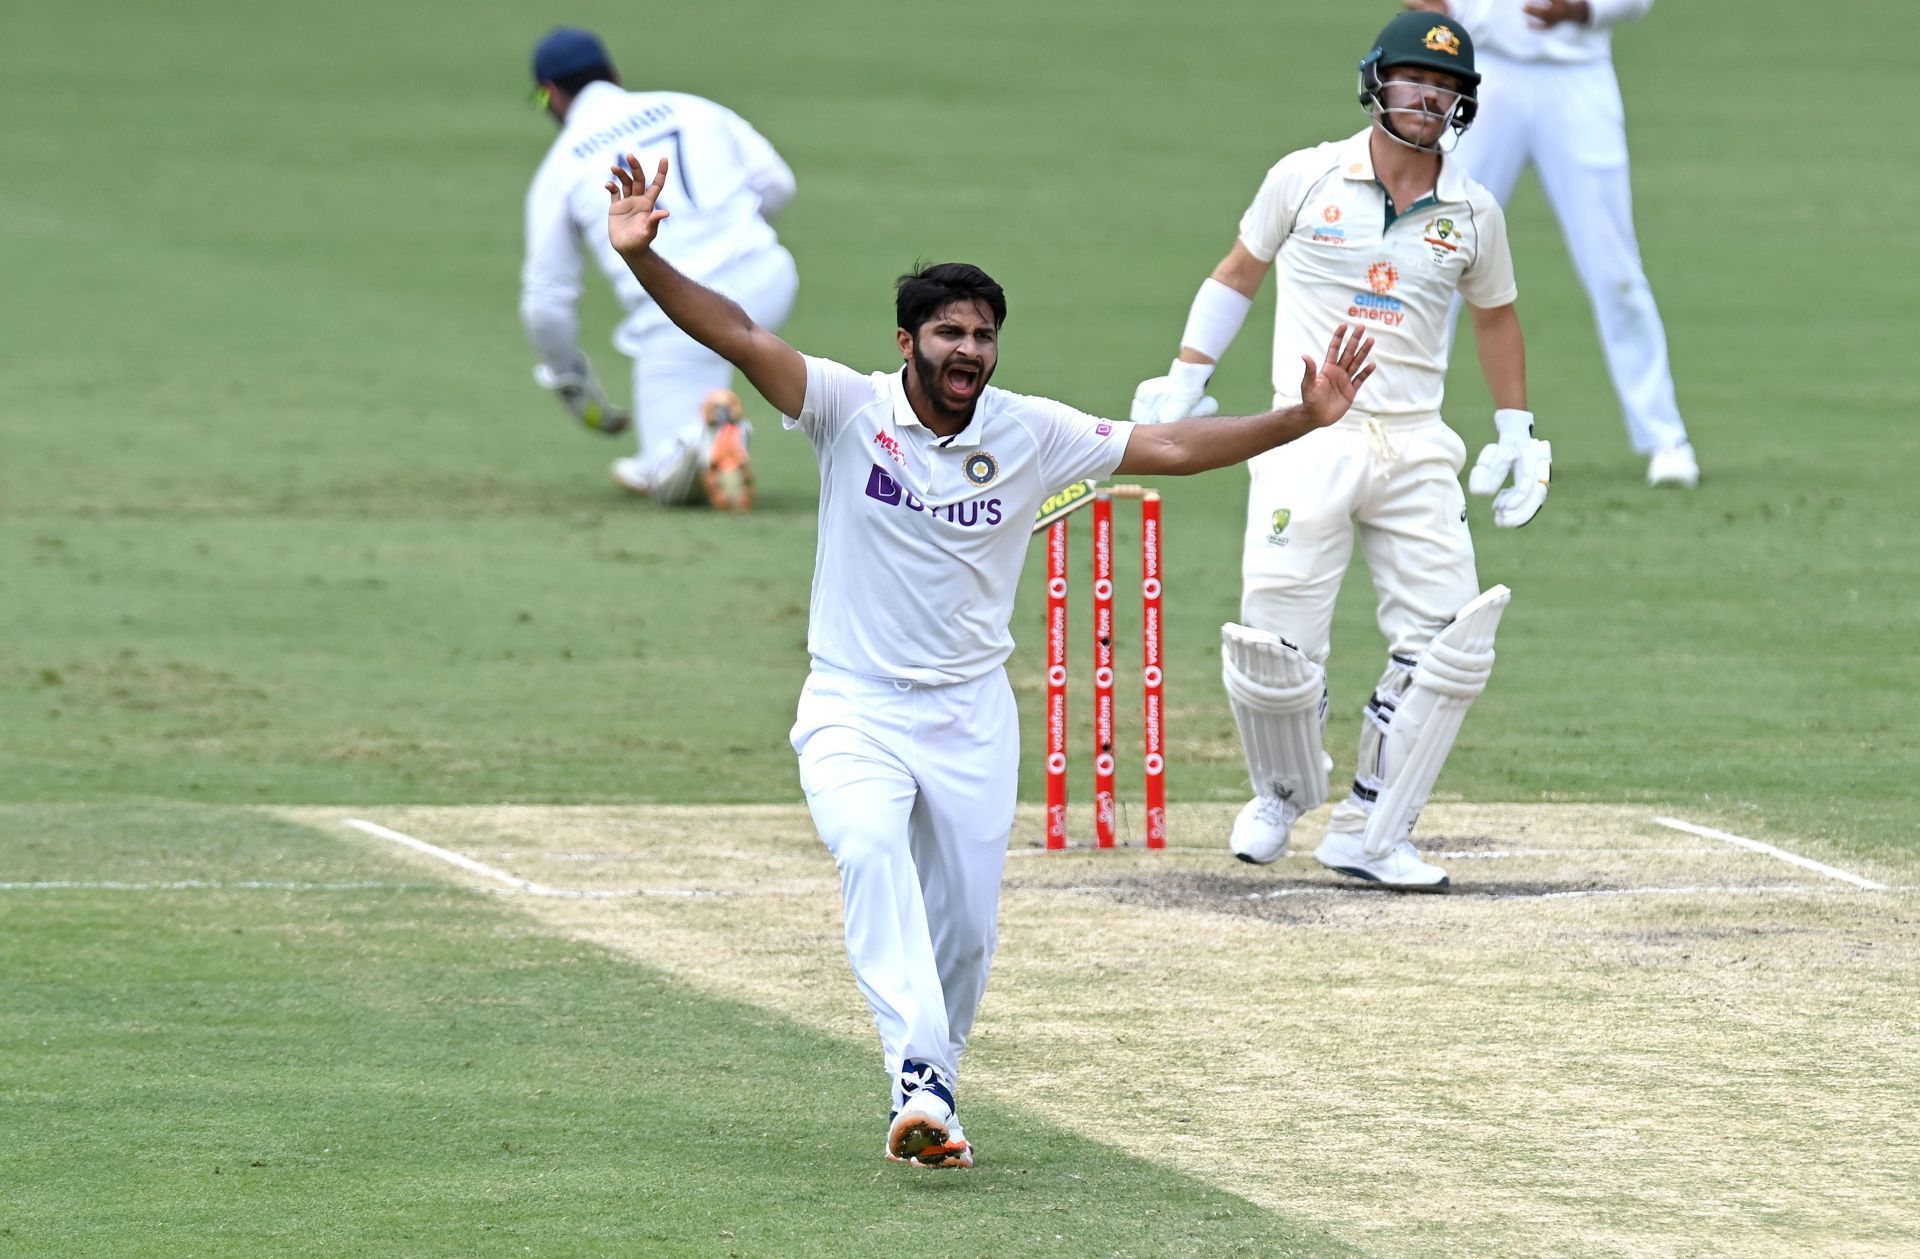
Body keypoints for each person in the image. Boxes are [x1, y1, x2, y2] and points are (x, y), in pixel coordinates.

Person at [603, 154, 1375, 1166]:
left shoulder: (1032, 432)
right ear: (907, 343)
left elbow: (1175, 449)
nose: (968, 351)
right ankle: (921, 1076)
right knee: (871, 853)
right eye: (948, 333)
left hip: (969, 712)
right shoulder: (847, 407)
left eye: (982, 334)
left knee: (964, 928)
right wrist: (645, 257)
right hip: (852, 703)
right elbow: (739, 335)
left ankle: (932, 1086)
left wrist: (1297, 419)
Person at [1131, 10, 1548, 891]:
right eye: (1416, 82)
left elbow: (1497, 314)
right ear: (1377, 84)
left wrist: (1516, 428)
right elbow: (1238, 270)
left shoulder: (1473, 212)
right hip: (1304, 431)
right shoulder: (1306, 175)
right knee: (1276, 645)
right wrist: (1184, 375)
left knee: (1449, 643)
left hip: (1414, 440)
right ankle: (1282, 794)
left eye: (1448, 89)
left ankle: (1371, 827)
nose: (1431, 99)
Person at [1404, 0, 1697, 487]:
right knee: (1437, 254)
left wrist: (1587, 9)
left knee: (1614, 268)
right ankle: (1402, 430)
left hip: (1578, 75)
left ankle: (1665, 438)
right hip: (1483, 70)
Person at [519, 26, 798, 509]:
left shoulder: (561, 166)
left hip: (678, 318)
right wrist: (728, 233)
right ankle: (708, 425)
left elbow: (547, 300)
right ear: (615, 74)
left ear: (552, 96)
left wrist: (569, 378)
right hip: (768, 278)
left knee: (667, 476)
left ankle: (712, 436)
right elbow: (777, 184)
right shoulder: (693, 106)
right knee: (717, 360)